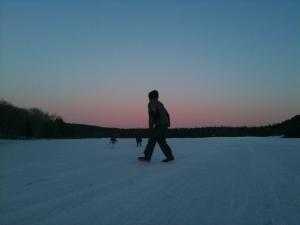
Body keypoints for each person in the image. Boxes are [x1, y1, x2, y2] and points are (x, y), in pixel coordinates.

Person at [138, 90, 174, 162]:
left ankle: (147, 156)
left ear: (150, 97)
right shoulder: (160, 103)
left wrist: (150, 128)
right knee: (161, 141)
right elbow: (167, 114)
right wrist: (167, 123)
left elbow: (152, 116)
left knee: (153, 139)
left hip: (160, 125)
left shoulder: (151, 103)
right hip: (164, 125)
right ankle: (169, 156)